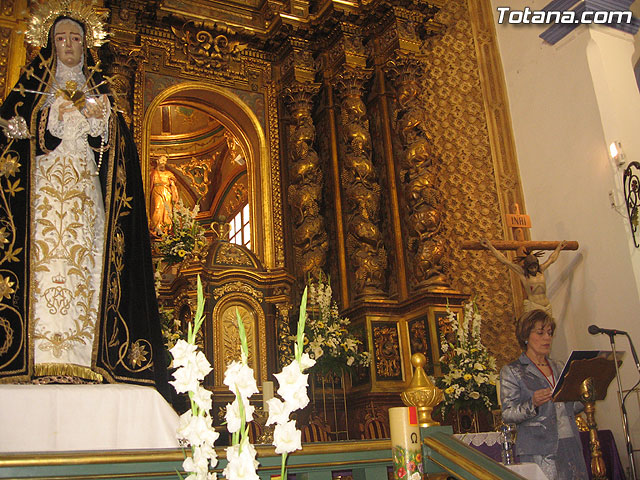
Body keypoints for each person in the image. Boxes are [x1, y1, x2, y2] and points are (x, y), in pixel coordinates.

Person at [0, 4, 169, 399]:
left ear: (86, 44)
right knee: (44, 266)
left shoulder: (101, 95)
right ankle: (37, 358)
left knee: (85, 265)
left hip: (84, 197)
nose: (69, 45)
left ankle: (83, 361)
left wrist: (103, 121)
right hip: (43, 196)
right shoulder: (32, 91)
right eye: (61, 38)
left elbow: (113, 153)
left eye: (76, 38)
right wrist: (43, 120)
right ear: (50, 44)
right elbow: (14, 136)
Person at [500, 310, 588, 479]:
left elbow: (570, 407)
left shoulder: (560, 367)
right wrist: (532, 403)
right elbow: (508, 414)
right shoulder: (513, 371)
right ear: (525, 336)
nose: (547, 338)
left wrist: (585, 395)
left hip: (569, 441)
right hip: (539, 449)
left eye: (549, 333)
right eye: (540, 333)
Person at [480, 238, 567, 314]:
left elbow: (551, 259)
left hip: (547, 306)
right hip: (534, 306)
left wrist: (559, 248)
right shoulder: (522, 273)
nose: (533, 269)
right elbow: (504, 260)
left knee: (548, 330)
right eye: (531, 268)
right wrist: (490, 246)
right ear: (527, 267)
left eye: (535, 267)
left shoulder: (541, 270)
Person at [150, 155, 180, 236]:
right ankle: (156, 228)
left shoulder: (169, 174)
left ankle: (166, 229)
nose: (163, 163)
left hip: (167, 193)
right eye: (162, 161)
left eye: (165, 161)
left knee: (167, 211)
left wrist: (174, 196)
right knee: (157, 208)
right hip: (156, 191)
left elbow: (173, 185)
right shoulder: (153, 173)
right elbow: (149, 186)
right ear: (157, 162)